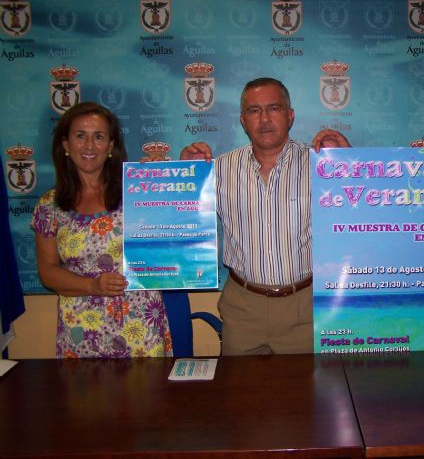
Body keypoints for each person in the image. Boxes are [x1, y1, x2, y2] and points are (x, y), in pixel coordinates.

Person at [181, 77, 349, 355]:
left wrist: (350, 163)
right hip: (242, 309)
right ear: (243, 121)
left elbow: (363, 209)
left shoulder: (321, 165)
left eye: (274, 108)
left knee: (303, 384)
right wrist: (185, 178)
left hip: (303, 306)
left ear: (290, 115)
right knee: (241, 385)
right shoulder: (219, 169)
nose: (264, 119)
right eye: (254, 110)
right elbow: (181, 222)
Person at [31, 102, 172, 359]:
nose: (89, 146)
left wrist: (161, 180)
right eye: (80, 136)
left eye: (99, 136)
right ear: (65, 144)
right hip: (81, 331)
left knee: (147, 387)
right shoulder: (49, 205)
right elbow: (48, 272)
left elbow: (177, 231)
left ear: (110, 146)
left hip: (139, 327)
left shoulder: (138, 191)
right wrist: (93, 285)